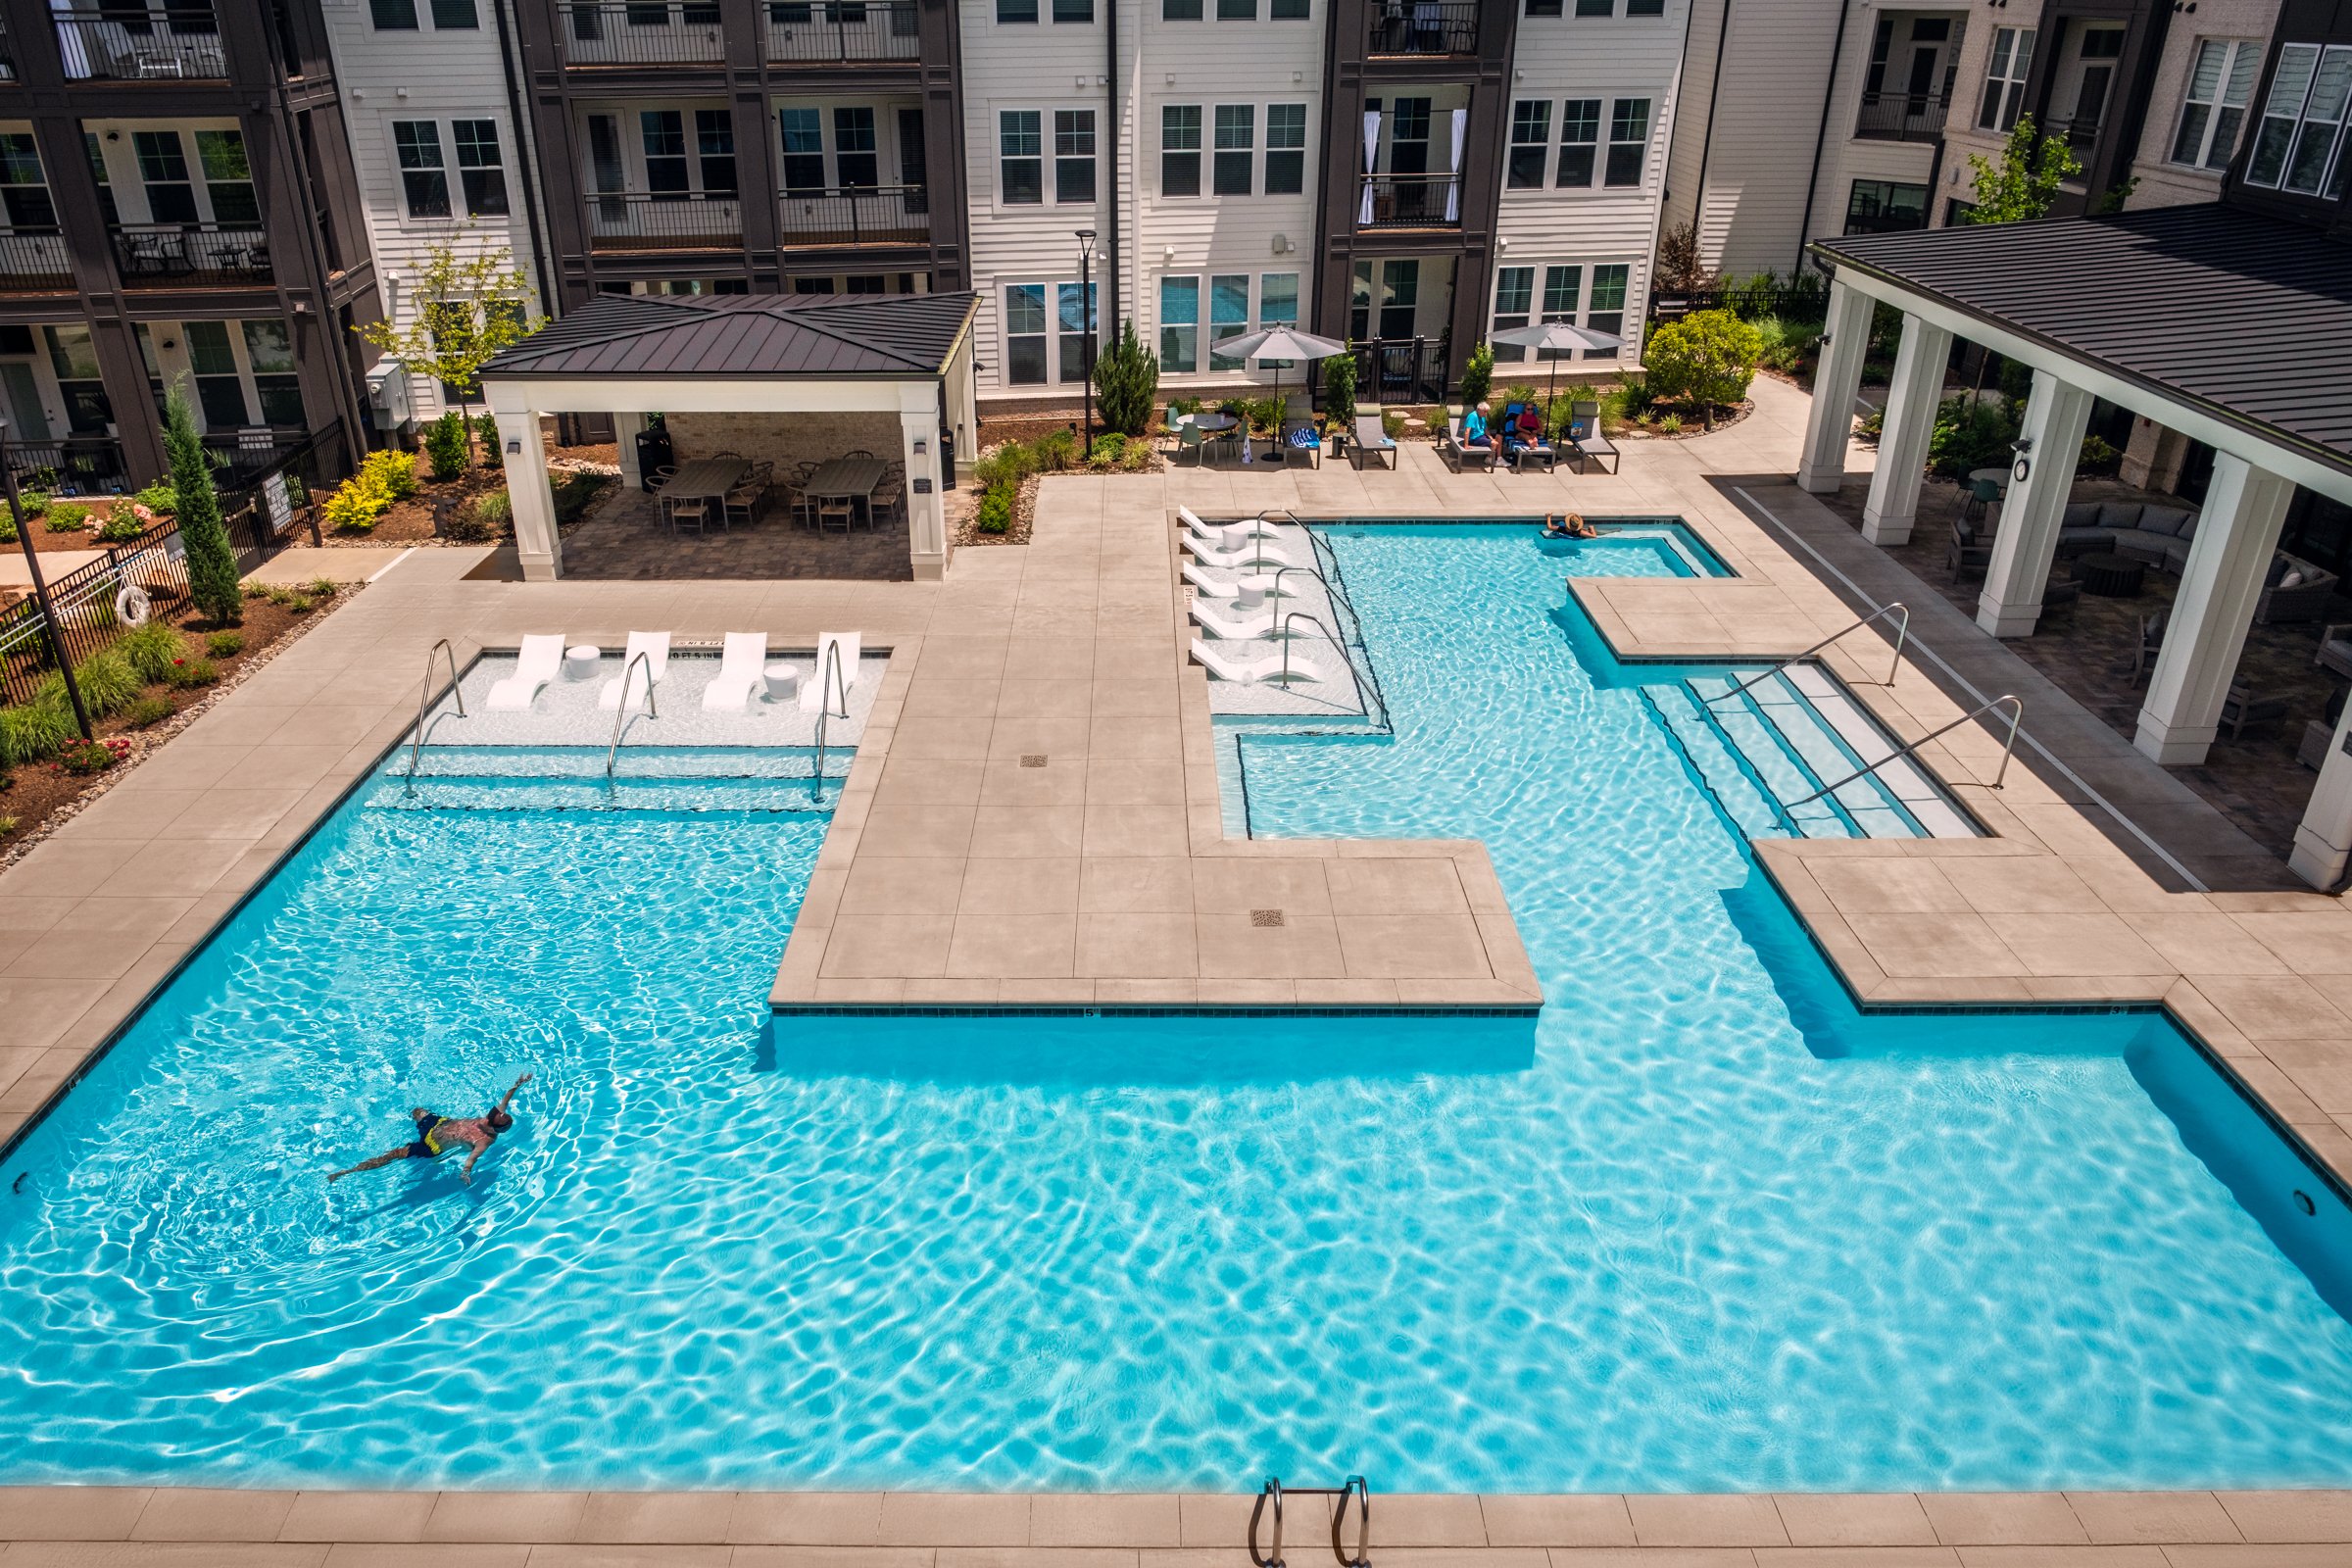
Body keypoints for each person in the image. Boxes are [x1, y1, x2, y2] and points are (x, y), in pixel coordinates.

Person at [327, 1073, 533, 1186]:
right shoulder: (494, 1117)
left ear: (495, 1128)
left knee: (393, 1154)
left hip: (432, 1146)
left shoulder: (484, 1141)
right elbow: (506, 1099)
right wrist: (518, 1084)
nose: (486, 1117)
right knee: (417, 1111)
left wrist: (465, 1172)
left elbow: (472, 1158)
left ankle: (347, 1172)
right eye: (491, 1113)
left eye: (490, 1118)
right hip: (439, 1123)